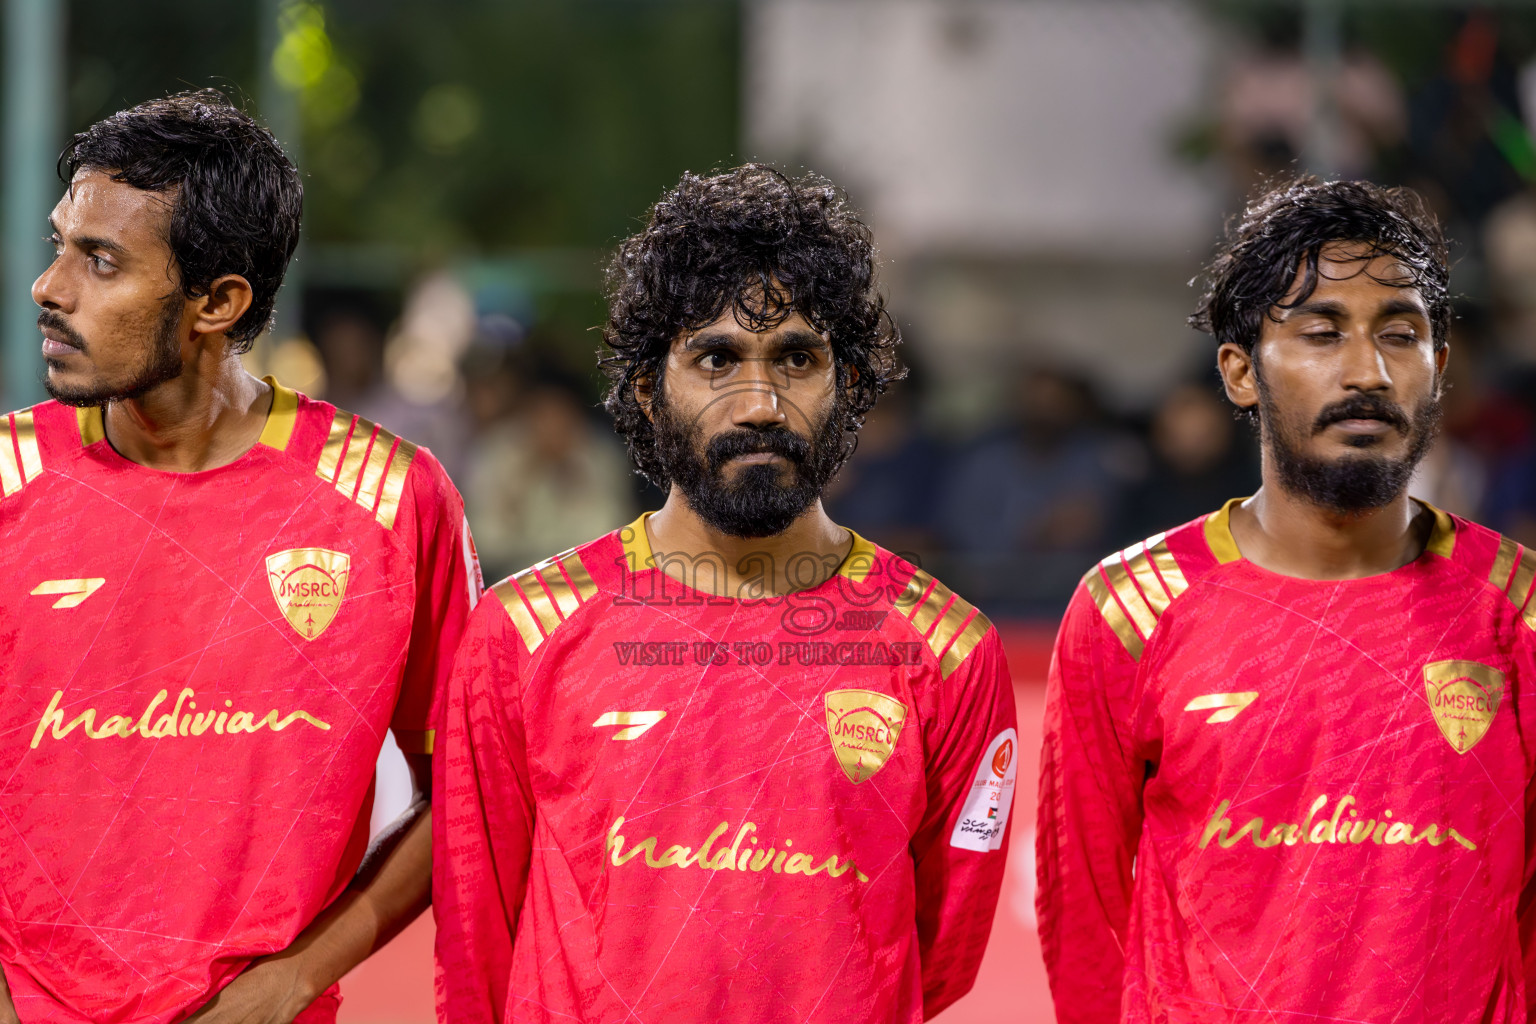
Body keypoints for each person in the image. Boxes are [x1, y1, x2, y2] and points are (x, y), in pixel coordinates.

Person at [433, 165, 1017, 1023]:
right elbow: (477, 944)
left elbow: (937, 952)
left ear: (848, 386)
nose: (759, 403)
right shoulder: (521, 633)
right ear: (645, 387)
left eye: (797, 358)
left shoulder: (949, 650)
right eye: (715, 357)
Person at [0, 91, 479, 1023]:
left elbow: (467, 791)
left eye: (101, 261)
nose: (49, 287)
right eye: (62, 244)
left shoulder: (391, 499)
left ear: (218, 302)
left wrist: (293, 979)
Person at [1036, 177, 1536, 1023]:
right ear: (1240, 371)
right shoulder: (1129, 610)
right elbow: (1083, 916)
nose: (1368, 371)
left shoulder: (1517, 609)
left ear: (1438, 368)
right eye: (1320, 332)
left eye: (1402, 334)